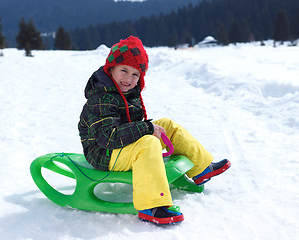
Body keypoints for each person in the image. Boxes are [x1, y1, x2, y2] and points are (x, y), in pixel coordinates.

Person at [78, 36, 231, 225]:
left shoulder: (125, 93)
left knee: (165, 125)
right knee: (149, 141)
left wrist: (149, 128)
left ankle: (201, 168)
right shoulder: (102, 97)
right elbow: (107, 137)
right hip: (104, 153)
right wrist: (146, 129)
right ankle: (152, 205)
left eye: (135, 74)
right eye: (124, 70)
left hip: (122, 146)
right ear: (111, 70)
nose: (129, 79)